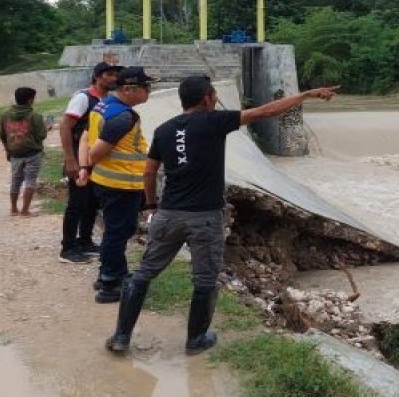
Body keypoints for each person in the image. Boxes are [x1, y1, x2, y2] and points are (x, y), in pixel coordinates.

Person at [105, 75, 339, 354]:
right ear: (206, 98)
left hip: (168, 215)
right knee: (204, 280)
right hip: (204, 218)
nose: (215, 99)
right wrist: (306, 95)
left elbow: (149, 171)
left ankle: (121, 337)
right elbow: (266, 111)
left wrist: (152, 205)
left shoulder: (164, 130)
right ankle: (195, 340)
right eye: (214, 95)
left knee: (144, 274)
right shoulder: (214, 121)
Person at [75, 66, 155, 303]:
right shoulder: (123, 117)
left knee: (116, 230)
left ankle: (112, 274)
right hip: (120, 184)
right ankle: (110, 283)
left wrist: (84, 169)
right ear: (129, 90)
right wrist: (86, 163)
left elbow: (85, 137)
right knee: (117, 232)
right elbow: (95, 151)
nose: (149, 92)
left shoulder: (102, 105)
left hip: (107, 181)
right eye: (146, 87)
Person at [57, 61, 122, 263]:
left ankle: (85, 240)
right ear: (97, 76)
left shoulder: (107, 99)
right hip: (79, 155)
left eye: (115, 75)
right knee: (76, 203)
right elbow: (65, 126)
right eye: (109, 74)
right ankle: (67, 248)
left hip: (95, 158)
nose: (113, 78)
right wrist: (70, 158)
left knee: (91, 202)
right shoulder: (83, 98)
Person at [0, 86, 47, 217]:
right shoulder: (35, 115)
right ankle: (25, 210)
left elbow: (3, 135)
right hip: (33, 153)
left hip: (14, 153)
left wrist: (7, 150)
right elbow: (41, 135)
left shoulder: (5, 115)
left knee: (15, 180)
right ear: (30, 100)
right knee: (30, 180)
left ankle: (13, 209)